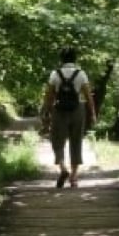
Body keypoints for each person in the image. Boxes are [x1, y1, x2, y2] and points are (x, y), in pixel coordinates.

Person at [41, 47, 98, 188]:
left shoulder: (55, 74)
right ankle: (74, 177)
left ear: (61, 59)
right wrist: (93, 113)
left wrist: (46, 111)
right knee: (76, 141)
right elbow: (88, 96)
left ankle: (62, 168)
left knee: (56, 140)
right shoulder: (81, 74)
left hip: (59, 110)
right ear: (75, 58)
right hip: (77, 110)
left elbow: (49, 95)